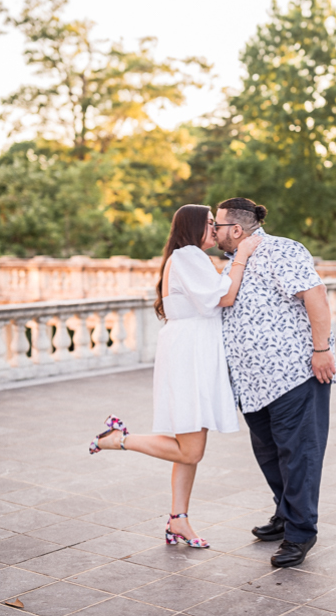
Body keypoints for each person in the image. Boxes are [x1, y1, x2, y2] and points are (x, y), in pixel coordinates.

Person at [90, 204, 261, 548]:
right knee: (192, 451)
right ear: (194, 226)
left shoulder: (188, 258)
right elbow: (226, 297)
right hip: (190, 356)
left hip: (191, 352)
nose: (216, 229)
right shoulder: (187, 256)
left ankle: (177, 519)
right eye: (210, 223)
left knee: (188, 445)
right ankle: (118, 438)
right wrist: (241, 255)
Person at [214, 196, 335, 568]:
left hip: (293, 375)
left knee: (298, 457)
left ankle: (301, 533)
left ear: (235, 228)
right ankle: (285, 514)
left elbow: (316, 296)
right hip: (252, 384)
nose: (213, 232)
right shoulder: (234, 261)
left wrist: (321, 350)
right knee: (270, 456)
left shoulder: (281, 249)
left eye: (216, 226)